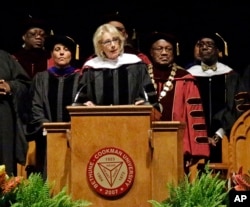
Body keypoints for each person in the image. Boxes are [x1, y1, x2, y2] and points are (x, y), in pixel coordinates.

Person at [143, 31, 210, 171]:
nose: (164, 53)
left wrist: (195, 151)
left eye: (168, 49)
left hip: (177, 145)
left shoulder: (185, 79)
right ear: (151, 52)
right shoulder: (140, 76)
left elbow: (194, 118)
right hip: (143, 144)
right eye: (159, 49)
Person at [26, 35, 81, 177]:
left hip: (75, 136)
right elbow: (35, 106)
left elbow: (83, 105)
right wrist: (47, 127)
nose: (61, 53)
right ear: (52, 54)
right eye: (57, 49)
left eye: (66, 49)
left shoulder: (81, 78)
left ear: (71, 54)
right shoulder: (41, 78)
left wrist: (74, 127)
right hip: (46, 138)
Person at [73, 23, 160, 113]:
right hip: (99, 121)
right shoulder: (91, 68)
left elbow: (150, 98)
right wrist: (85, 104)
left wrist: (145, 104)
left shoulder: (136, 64)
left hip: (132, 120)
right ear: (100, 46)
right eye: (107, 42)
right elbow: (79, 101)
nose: (113, 45)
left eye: (115, 40)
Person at [187, 32, 241, 163]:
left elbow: (236, 108)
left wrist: (220, 133)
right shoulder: (188, 76)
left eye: (209, 44)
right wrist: (201, 135)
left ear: (218, 51)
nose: (204, 47)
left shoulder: (231, 75)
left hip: (225, 136)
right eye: (201, 45)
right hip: (195, 138)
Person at [0, 49, 31, 175]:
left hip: (2, 119)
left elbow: (25, 84)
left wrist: (10, 86)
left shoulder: (4, 57)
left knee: (4, 164)